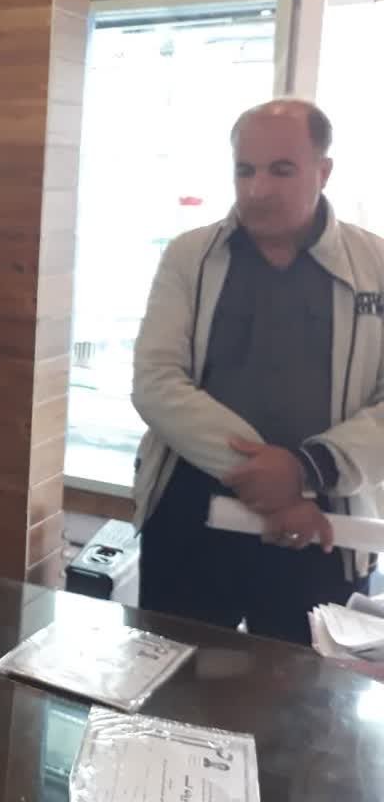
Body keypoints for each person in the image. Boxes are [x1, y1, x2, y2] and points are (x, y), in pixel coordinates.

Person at [133, 98, 384, 645]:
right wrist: (274, 482)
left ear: (324, 171)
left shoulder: (376, 266)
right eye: (244, 170)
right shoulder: (190, 256)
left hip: (323, 525)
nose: (257, 189)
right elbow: (155, 382)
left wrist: (307, 470)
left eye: (281, 170)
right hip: (191, 514)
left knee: (308, 691)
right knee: (174, 679)